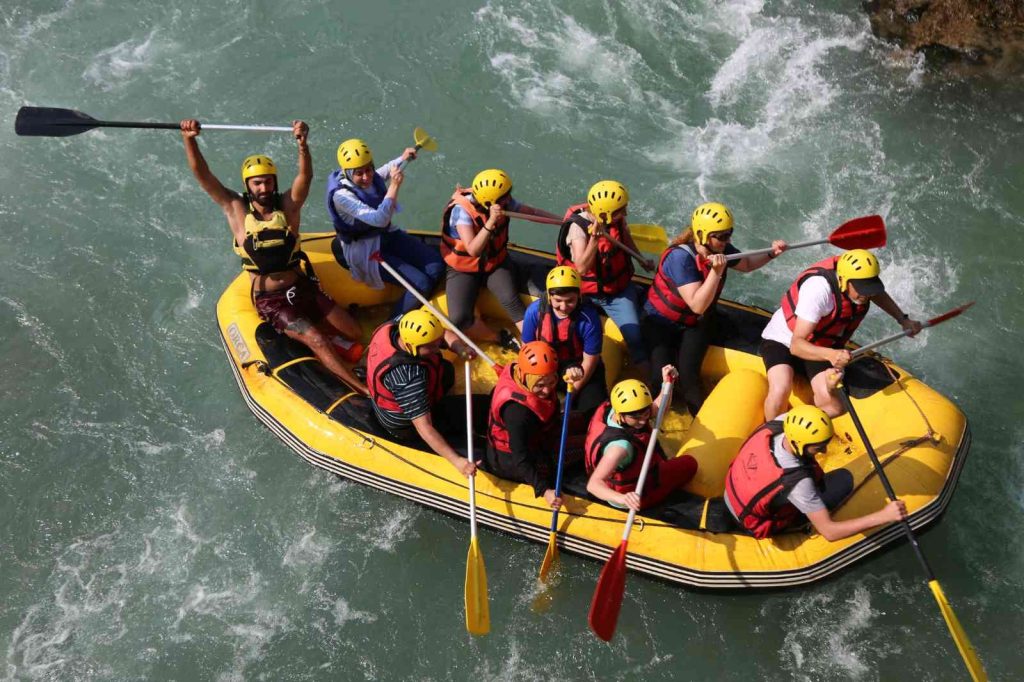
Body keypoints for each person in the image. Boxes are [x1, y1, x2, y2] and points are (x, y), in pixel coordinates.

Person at [180, 119, 366, 393]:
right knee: (316, 340)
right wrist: (190, 140)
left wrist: (302, 146)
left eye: (268, 182)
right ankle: (361, 389)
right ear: (248, 185)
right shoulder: (235, 208)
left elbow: (305, 178)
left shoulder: (288, 206)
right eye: (257, 183)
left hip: (301, 287)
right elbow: (203, 175)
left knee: (355, 332)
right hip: (271, 301)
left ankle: (324, 342)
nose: (264, 188)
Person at [644, 202, 787, 415]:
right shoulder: (680, 258)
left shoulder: (720, 249)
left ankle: (697, 419)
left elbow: (747, 264)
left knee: (689, 376)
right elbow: (697, 304)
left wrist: (772, 254)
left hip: (695, 323)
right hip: (661, 322)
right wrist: (716, 272)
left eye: (729, 234)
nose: (727, 240)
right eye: (721, 236)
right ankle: (653, 416)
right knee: (658, 378)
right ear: (702, 235)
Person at [760, 249, 923, 420]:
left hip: (818, 345)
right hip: (783, 341)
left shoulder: (862, 288)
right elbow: (796, 346)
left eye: (870, 288)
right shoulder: (818, 290)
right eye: (861, 289)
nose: (867, 294)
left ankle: (798, 427)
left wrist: (903, 319)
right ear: (843, 281)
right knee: (781, 389)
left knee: (835, 408)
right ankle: (773, 432)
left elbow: (877, 294)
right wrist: (831, 355)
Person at [724, 404, 908, 540]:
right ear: (798, 443)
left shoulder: (783, 421)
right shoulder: (798, 484)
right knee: (843, 481)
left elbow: (835, 408)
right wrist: (884, 516)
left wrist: (830, 387)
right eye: (819, 448)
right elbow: (830, 532)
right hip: (755, 522)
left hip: (732, 494)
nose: (824, 451)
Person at [440, 169, 560, 348]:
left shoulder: (503, 202)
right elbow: (473, 249)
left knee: (511, 300)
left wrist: (562, 221)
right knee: (460, 319)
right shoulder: (461, 212)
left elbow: (532, 213)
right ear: (489, 201)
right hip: (464, 269)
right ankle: (499, 337)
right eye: (505, 197)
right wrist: (491, 221)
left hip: (494, 264)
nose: (509, 199)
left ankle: (536, 344)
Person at [326, 138, 444, 314]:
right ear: (348, 172)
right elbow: (379, 219)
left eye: (368, 169)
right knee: (421, 283)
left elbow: (384, 172)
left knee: (436, 266)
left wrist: (403, 158)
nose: (366, 177)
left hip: (385, 235)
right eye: (359, 173)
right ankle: (392, 322)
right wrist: (394, 186)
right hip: (365, 249)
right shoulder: (341, 196)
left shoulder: (369, 177)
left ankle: (419, 305)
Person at [365, 308, 476, 478]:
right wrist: (458, 462)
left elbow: (443, 334)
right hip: (405, 424)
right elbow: (424, 427)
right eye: (431, 346)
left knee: (446, 368)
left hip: (404, 396)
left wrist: (460, 348)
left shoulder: (394, 328)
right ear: (411, 346)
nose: (438, 348)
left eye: (437, 342)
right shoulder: (408, 378)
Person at [557, 180, 652, 373]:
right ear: (604, 213)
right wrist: (594, 239)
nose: (625, 213)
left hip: (617, 291)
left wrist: (640, 258)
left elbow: (625, 238)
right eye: (620, 211)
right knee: (570, 332)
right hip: (586, 293)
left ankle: (649, 377)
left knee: (635, 337)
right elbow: (581, 268)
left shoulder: (615, 219)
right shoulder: (577, 229)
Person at [483, 341, 582, 509]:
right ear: (524, 377)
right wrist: (544, 490)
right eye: (540, 385)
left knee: (583, 419)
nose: (547, 391)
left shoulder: (523, 371)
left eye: (552, 383)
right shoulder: (517, 413)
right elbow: (520, 458)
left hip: (539, 432)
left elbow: (565, 368)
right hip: (510, 460)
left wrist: (575, 369)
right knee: (582, 447)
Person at [585, 367, 698, 511]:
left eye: (646, 413)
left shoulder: (615, 409)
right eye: (636, 417)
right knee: (690, 463)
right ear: (621, 415)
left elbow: (658, 408)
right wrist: (623, 499)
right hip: (632, 497)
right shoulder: (619, 448)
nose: (643, 421)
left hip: (617, 474)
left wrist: (667, 384)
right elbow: (593, 485)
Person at [521, 266, 607, 418]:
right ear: (549, 296)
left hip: (579, 368)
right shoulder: (534, 312)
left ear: (579, 295)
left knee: (592, 412)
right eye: (558, 301)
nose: (563, 307)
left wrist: (570, 397)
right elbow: (527, 350)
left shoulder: (589, 319)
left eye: (570, 301)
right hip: (546, 366)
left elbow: (590, 362)